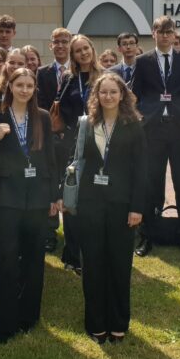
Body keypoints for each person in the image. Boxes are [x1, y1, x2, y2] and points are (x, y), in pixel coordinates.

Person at [0, 68, 59, 344]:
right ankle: (6, 322)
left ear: (34, 89)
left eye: (29, 85)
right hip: (7, 197)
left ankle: (29, 317)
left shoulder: (43, 118)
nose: (24, 90)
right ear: (10, 87)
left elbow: (50, 157)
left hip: (37, 197)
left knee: (34, 257)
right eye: (19, 85)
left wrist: (54, 195)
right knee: (8, 258)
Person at [71, 72, 147, 343]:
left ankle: (118, 323)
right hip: (90, 202)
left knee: (119, 265)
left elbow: (141, 170)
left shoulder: (134, 125)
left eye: (113, 92)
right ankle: (96, 324)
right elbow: (78, 159)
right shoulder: (88, 123)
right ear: (96, 95)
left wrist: (137, 207)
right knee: (93, 264)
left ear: (122, 94)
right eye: (103, 92)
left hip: (122, 205)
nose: (108, 96)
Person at [130, 15, 180, 257]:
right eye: (161, 31)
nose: (166, 36)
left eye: (169, 32)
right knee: (151, 184)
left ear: (174, 34)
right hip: (153, 131)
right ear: (154, 34)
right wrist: (142, 117)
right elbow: (135, 94)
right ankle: (147, 236)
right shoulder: (142, 61)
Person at [58, 34, 104, 272]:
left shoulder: (105, 76)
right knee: (71, 196)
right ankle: (72, 254)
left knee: (93, 198)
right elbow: (60, 107)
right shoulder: (68, 78)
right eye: (78, 51)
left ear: (92, 49)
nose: (83, 53)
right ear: (73, 56)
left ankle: (93, 252)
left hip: (98, 144)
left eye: (86, 48)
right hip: (72, 145)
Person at [36, 27, 72, 253]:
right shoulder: (42, 72)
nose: (60, 45)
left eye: (64, 41)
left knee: (70, 183)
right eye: (56, 42)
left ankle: (71, 233)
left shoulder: (77, 70)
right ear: (50, 45)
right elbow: (39, 103)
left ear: (70, 44)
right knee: (50, 182)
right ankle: (50, 232)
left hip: (71, 137)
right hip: (48, 136)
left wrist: (66, 128)